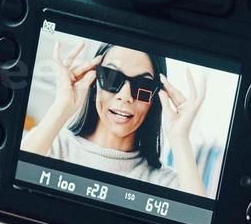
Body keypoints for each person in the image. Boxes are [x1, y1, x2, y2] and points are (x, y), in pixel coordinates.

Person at [22, 39, 210, 197]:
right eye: (111, 78)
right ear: (95, 81)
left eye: (143, 86)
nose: (125, 96)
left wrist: (180, 138)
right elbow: (11, 178)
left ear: (155, 98)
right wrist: (61, 107)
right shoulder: (52, 147)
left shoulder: (163, 181)